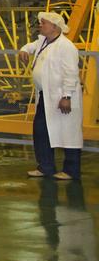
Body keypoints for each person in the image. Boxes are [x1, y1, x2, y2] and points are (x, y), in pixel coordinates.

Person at [18, 11, 83, 180]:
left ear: (54, 26)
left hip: (61, 97)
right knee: (41, 131)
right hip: (45, 96)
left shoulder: (66, 47)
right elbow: (31, 46)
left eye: (43, 23)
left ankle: (71, 170)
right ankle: (45, 166)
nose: (40, 25)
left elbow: (71, 74)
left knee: (68, 133)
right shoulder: (44, 41)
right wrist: (24, 49)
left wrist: (67, 96)